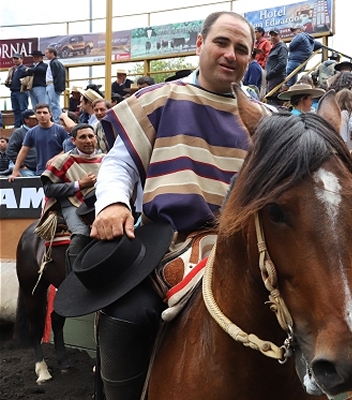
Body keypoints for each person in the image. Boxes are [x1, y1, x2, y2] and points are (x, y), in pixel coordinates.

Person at [61, 12, 270, 400]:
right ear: (200, 44)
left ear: (250, 58)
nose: (230, 54)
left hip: (248, 247)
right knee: (125, 317)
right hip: (169, 243)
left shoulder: (268, 119)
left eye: (241, 49)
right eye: (222, 42)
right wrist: (112, 205)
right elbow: (120, 162)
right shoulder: (159, 98)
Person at [40, 123, 103, 269]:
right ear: (73, 141)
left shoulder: (106, 159)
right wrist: (79, 184)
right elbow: (48, 189)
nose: (88, 140)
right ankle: (74, 280)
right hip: (73, 205)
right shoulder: (63, 160)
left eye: (90, 136)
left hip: (102, 203)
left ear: (96, 138)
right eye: (82, 137)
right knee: (81, 235)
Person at [8, 104, 69, 180]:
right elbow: (23, 151)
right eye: (39, 113)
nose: (42, 115)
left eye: (45, 112)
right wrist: (15, 170)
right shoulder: (32, 132)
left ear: (50, 114)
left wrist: (57, 157)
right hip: (41, 171)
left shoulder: (61, 130)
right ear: (35, 115)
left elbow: (70, 148)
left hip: (60, 170)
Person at [6, 109, 38, 177]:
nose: (37, 119)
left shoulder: (40, 131)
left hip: (42, 168)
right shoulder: (18, 133)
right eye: (34, 118)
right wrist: (21, 165)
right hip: (27, 170)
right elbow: (10, 151)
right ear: (26, 120)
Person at [5, 53, 30, 128]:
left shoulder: (25, 69)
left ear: (21, 59)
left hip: (22, 91)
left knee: (23, 109)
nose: (15, 60)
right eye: (14, 59)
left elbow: (27, 81)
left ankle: (23, 125)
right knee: (15, 109)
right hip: (13, 91)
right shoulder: (12, 69)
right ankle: (17, 125)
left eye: (17, 58)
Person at [265, 28, 288, 100]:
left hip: (276, 77)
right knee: (270, 96)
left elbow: (283, 63)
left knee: (271, 97)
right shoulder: (274, 47)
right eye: (271, 35)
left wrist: (271, 73)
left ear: (280, 36)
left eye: (275, 35)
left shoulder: (282, 47)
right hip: (272, 77)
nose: (273, 37)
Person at [45, 48, 66, 123]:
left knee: (54, 103)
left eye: (47, 53)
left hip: (52, 84)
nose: (46, 55)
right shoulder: (53, 62)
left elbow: (58, 75)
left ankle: (57, 120)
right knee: (51, 103)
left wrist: (57, 87)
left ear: (52, 53)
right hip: (50, 85)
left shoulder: (54, 63)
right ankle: (56, 119)